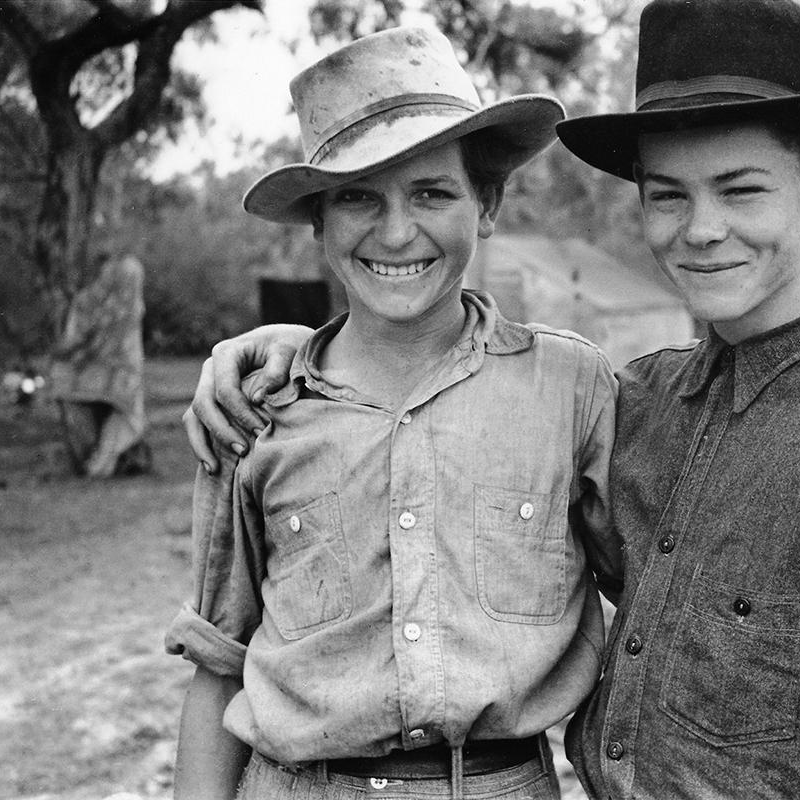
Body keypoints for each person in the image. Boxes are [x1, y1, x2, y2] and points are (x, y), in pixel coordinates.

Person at [183, 2, 800, 797]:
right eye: (668, 195)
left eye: (742, 189)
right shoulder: (638, 402)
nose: (702, 228)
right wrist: (278, 346)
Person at [164, 26, 622, 799]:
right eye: (358, 197)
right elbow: (219, 665)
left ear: (487, 203)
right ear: (318, 219)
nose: (397, 231)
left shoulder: (572, 387)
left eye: (432, 192)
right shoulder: (257, 407)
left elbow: (655, 603)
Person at [51, 252, 149, 477]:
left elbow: (118, 338)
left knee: (120, 406)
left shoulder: (129, 301)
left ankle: (104, 462)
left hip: (120, 373)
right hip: (93, 369)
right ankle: (93, 460)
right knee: (69, 391)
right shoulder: (89, 300)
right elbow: (77, 339)